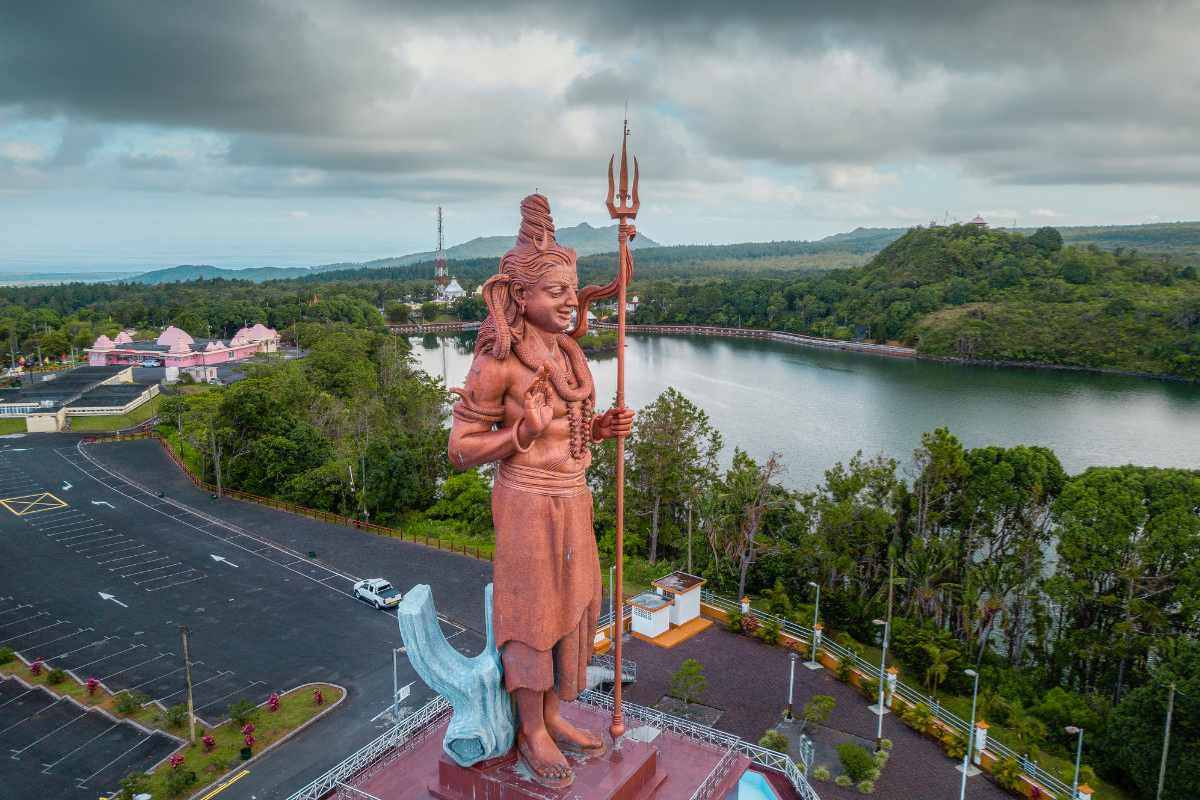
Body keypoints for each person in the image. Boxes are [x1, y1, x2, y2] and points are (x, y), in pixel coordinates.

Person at [448, 193, 634, 787]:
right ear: (519, 296)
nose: (569, 302)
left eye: (571, 291)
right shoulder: (497, 362)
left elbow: (569, 430)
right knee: (531, 612)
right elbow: (459, 451)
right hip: (526, 498)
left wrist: (600, 429)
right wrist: (517, 434)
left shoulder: (569, 353)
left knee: (576, 604)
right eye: (555, 292)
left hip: (573, 493)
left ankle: (554, 715)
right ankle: (531, 728)